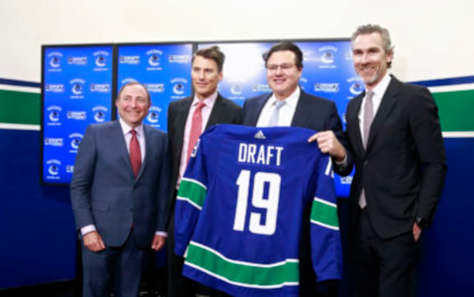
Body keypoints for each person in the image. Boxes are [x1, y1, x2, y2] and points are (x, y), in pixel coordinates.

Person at [336, 24, 447, 297]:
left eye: (372, 51)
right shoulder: (353, 106)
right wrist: (338, 152)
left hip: (399, 227)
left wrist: (420, 219)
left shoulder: (414, 98)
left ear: (388, 55)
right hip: (359, 224)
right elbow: (353, 162)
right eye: (358, 53)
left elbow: (435, 164)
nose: (364, 59)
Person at [242, 41, 347, 297]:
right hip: (255, 222)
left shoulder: (323, 109)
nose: (278, 73)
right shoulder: (250, 107)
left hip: (299, 225)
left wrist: (339, 152)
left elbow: (345, 165)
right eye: (272, 67)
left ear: (299, 71)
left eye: (285, 66)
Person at [70, 82, 170, 297]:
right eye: (127, 98)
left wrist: (161, 228)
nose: (133, 105)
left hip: (139, 237)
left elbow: (162, 188)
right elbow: (79, 186)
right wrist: (87, 230)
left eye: (140, 99)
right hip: (99, 234)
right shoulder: (96, 133)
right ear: (117, 103)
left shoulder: (160, 139)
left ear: (149, 105)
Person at [166, 45, 242, 297]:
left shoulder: (234, 112)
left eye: (208, 71)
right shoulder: (176, 108)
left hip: (214, 206)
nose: (201, 76)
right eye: (197, 69)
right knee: (176, 273)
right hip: (179, 201)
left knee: (210, 278)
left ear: (220, 76)